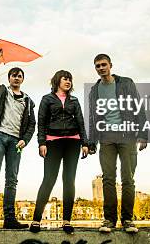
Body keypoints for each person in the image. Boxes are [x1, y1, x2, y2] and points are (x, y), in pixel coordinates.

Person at [88, 53, 147, 233]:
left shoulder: (126, 83)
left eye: (103, 65)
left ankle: (128, 220)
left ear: (110, 65)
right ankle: (109, 220)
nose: (101, 68)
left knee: (128, 179)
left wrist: (143, 134)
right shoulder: (94, 91)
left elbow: (138, 107)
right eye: (97, 66)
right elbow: (93, 117)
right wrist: (92, 141)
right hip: (106, 138)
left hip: (127, 136)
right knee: (108, 179)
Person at [0, 51, 36, 232]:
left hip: (15, 143)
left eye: (19, 76)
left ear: (22, 79)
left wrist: (24, 140)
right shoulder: (1, 91)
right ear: (9, 78)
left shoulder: (28, 101)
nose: (16, 78)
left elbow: (32, 125)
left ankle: (9, 218)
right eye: (13, 75)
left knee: (12, 180)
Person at [30, 70, 90, 234]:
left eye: (70, 79)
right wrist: (41, 142)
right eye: (65, 79)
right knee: (49, 179)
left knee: (69, 180)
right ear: (57, 81)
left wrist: (85, 143)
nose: (68, 81)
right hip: (53, 142)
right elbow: (41, 122)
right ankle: (36, 219)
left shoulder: (74, 100)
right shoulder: (47, 99)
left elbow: (80, 122)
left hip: (73, 142)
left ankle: (66, 221)